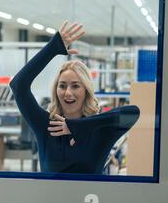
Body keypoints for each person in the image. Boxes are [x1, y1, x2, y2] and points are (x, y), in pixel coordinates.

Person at [9, 21, 140, 174]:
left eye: (76, 86)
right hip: (49, 198)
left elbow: (133, 113)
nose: (68, 93)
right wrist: (53, 48)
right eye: (62, 85)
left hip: (91, 198)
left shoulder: (100, 130)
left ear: (86, 91)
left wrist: (78, 126)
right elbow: (18, 86)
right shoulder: (46, 125)